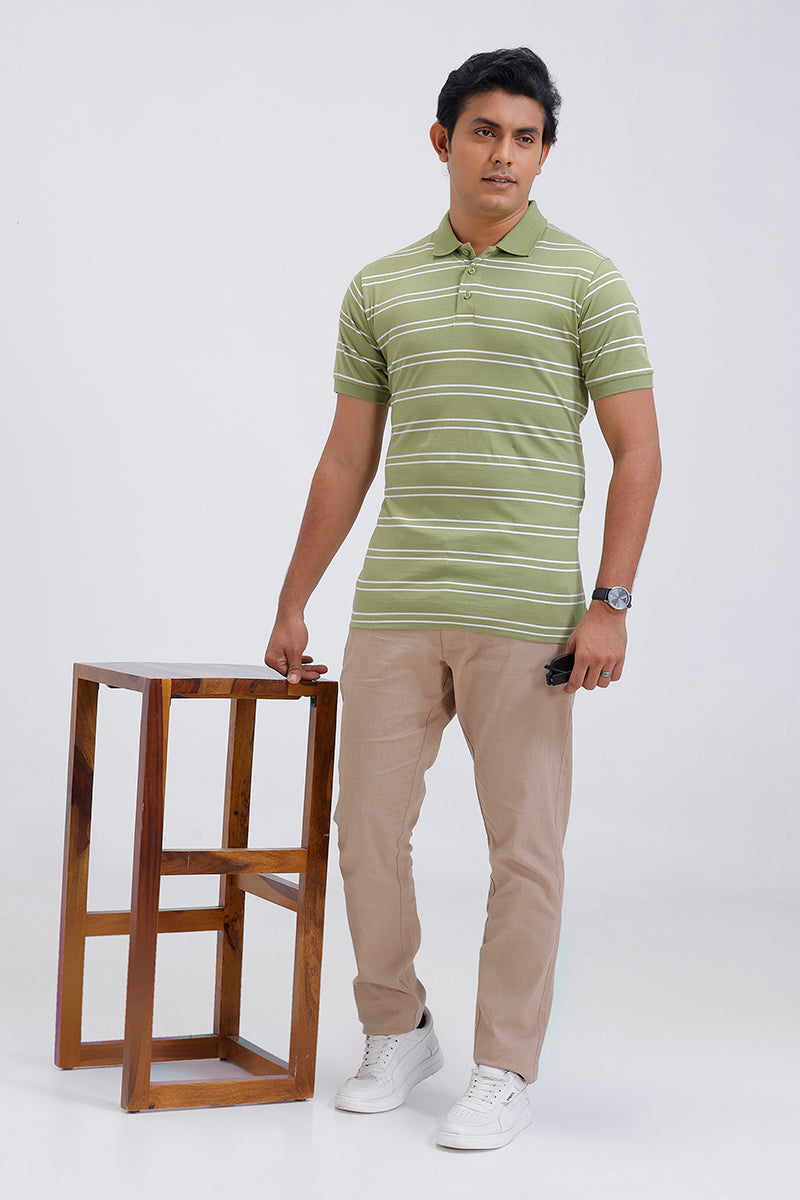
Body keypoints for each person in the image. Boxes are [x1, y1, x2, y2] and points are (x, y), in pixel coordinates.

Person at [264, 46, 661, 1150]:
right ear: (442, 141)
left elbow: (637, 453)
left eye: (525, 137)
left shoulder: (586, 280)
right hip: (396, 598)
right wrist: (295, 598)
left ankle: (502, 1066)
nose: (504, 154)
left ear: (542, 154)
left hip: (526, 608)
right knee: (364, 829)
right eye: (484, 131)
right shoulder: (379, 285)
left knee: (522, 847)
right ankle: (397, 1030)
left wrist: (609, 600)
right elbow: (344, 461)